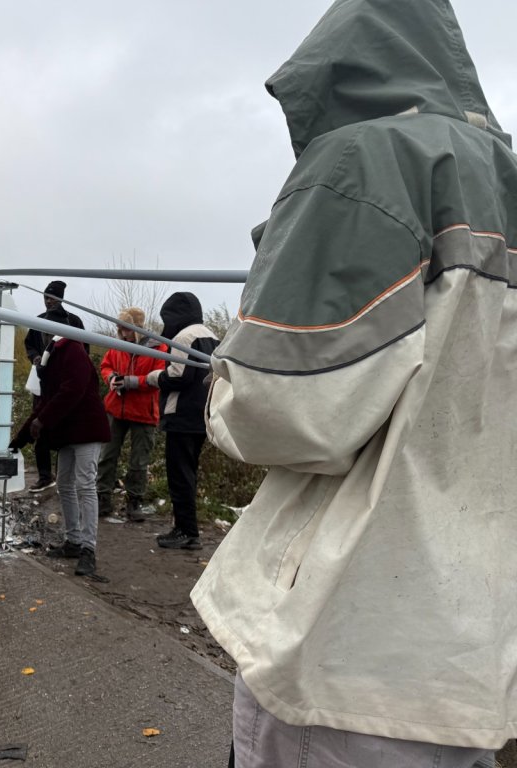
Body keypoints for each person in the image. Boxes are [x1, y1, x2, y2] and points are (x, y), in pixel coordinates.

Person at [191, 1, 515, 765]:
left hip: (347, 643)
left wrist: (233, 369)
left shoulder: (367, 160)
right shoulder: (502, 174)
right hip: (473, 648)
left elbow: (286, 411)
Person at [11, 332, 109, 577]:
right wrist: (18, 442)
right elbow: (46, 400)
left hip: (87, 428)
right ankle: (73, 541)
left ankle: (88, 549)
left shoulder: (71, 349)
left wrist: (43, 420)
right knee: (65, 484)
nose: (41, 335)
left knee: (85, 485)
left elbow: (72, 390)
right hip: (67, 432)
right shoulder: (51, 354)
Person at [143, 293, 217, 550]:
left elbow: (179, 376)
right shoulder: (211, 336)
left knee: (180, 475)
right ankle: (186, 527)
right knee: (189, 473)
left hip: (181, 415)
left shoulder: (183, 337)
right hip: (203, 415)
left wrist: (154, 377)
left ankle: (186, 532)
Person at [96, 307, 167, 521]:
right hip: (116, 407)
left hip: (143, 411)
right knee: (107, 455)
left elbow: (159, 377)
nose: (121, 332)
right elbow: (106, 365)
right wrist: (111, 379)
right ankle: (102, 498)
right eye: (119, 328)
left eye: (125, 328)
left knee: (139, 461)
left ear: (136, 327)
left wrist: (130, 382)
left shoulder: (159, 347)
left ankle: (134, 501)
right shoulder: (118, 345)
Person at [23, 280, 85, 493]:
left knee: (66, 428)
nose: (48, 301)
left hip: (65, 386)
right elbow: (29, 345)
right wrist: (36, 357)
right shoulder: (38, 321)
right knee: (39, 425)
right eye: (46, 298)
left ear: (61, 299)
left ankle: (65, 478)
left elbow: (84, 351)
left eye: (52, 298)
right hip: (41, 384)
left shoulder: (74, 322)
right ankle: (44, 476)